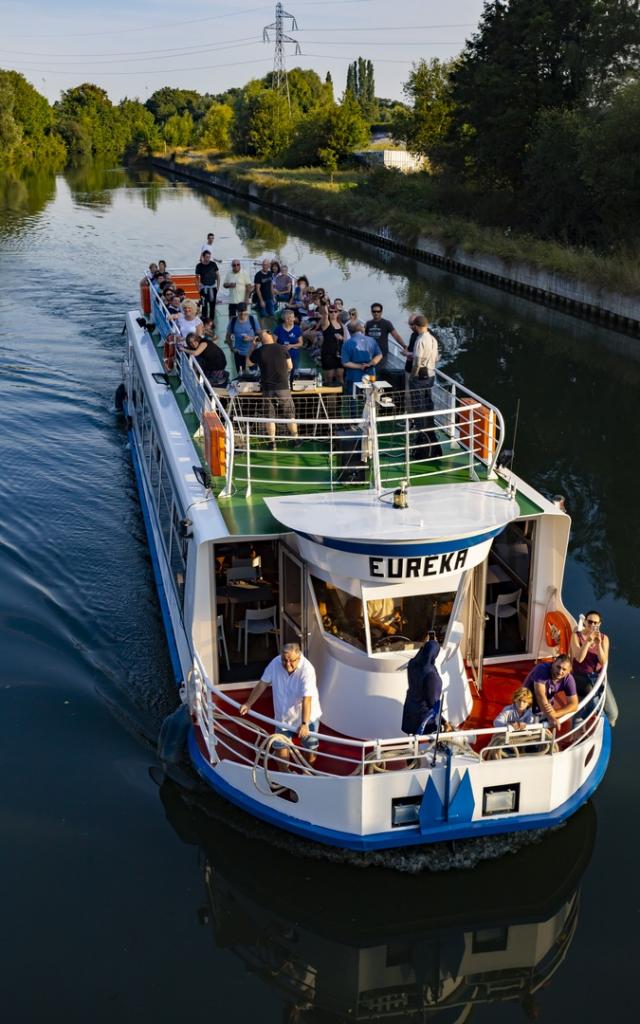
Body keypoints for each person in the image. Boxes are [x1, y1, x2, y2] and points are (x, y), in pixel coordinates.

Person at [239, 643, 322, 766]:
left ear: (299, 657)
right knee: (280, 750)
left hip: (307, 717)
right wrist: (248, 703)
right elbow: (263, 684)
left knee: (310, 749)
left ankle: (307, 772)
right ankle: (285, 775)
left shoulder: (307, 670)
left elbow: (307, 699)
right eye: (284, 660)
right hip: (283, 718)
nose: (287, 664)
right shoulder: (276, 662)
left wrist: (304, 724)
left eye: (291, 661)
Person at [248, 330, 301, 449]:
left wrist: (252, 346)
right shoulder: (282, 349)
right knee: (290, 415)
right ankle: (295, 439)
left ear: (260, 340)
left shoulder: (259, 351)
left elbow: (249, 363)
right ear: (271, 337)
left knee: (269, 417)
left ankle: (272, 443)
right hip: (283, 387)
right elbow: (290, 367)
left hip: (267, 388)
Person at [409, 314, 441, 458]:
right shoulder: (433, 339)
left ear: (416, 326)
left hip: (420, 376)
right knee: (428, 403)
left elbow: (417, 361)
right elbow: (436, 358)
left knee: (418, 405)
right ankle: (429, 431)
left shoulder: (420, 339)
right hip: (431, 375)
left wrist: (413, 375)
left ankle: (421, 434)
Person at [401, 637, 446, 736]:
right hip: (423, 716)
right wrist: (443, 721)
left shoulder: (413, 664)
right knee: (423, 742)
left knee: (412, 739)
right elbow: (433, 701)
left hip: (410, 710)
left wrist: (424, 647)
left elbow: (419, 657)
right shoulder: (430, 675)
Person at [524, 655, 579, 725]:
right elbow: (540, 694)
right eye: (558, 667)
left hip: (544, 709)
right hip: (525, 705)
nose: (560, 672)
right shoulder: (542, 669)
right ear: (553, 664)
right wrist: (550, 716)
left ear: (568, 671)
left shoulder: (568, 679)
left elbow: (574, 705)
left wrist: (555, 713)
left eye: (564, 669)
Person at [341, 321, 382, 400]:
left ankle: (353, 408)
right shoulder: (371, 340)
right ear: (361, 329)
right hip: (370, 373)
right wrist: (369, 364)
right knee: (370, 398)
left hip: (353, 375)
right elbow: (379, 355)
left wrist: (360, 366)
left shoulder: (347, 343)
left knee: (353, 398)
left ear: (349, 331)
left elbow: (345, 362)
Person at [365, 303, 407, 372]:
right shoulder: (368, 323)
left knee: (378, 374)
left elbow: (396, 336)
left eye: (378, 311)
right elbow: (365, 338)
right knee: (369, 372)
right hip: (370, 353)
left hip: (382, 354)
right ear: (371, 312)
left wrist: (404, 346)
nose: (376, 313)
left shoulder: (386, 323)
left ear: (381, 312)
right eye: (374, 311)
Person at [225, 303, 260, 373]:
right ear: (237, 312)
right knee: (241, 375)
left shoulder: (252, 320)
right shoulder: (233, 321)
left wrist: (250, 338)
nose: (242, 316)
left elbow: (260, 337)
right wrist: (232, 348)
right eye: (240, 314)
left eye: (245, 314)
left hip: (252, 353)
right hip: (239, 354)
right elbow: (228, 337)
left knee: (254, 375)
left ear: (247, 311)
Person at [318, 303, 345, 385]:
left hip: (339, 353)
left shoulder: (341, 324)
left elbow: (346, 339)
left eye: (335, 312)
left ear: (338, 313)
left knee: (340, 376)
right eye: (331, 312)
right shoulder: (326, 323)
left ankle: (341, 391)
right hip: (328, 353)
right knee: (329, 377)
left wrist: (341, 338)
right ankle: (327, 391)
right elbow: (325, 314)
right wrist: (324, 303)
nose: (333, 313)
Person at [275, 308, 303, 383]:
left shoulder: (297, 329)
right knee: (281, 372)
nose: (294, 319)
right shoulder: (278, 329)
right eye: (291, 317)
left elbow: (301, 343)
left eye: (293, 317)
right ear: (286, 319)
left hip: (294, 355)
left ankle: (292, 386)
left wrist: (291, 346)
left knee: (293, 373)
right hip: (281, 355)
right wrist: (281, 347)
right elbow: (273, 343)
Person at [195, 249, 220, 320]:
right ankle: (204, 321)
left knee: (212, 307)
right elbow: (196, 278)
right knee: (204, 306)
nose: (208, 258)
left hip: (213, 288)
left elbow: (218, 276)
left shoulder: (213, 264)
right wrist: (198, 289)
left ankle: (211, 322)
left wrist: (217, 287)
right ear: (203, 257)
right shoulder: (199, 266)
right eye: (206, 257)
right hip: (204, 288)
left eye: (209, 257)